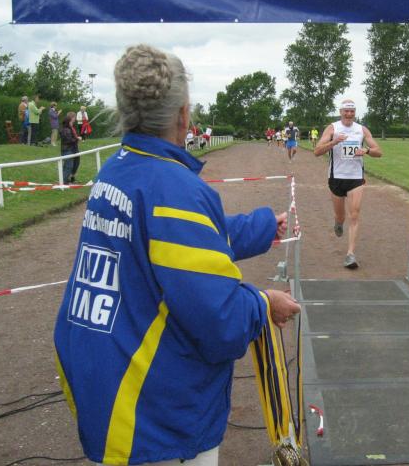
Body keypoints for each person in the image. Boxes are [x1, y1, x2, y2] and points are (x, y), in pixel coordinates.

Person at [53, 44, 300, 466]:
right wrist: (263, 305)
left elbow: (178, 243)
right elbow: (219, 320)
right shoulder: (175, 188)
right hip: (154, 412)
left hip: (106, 381)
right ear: (183, 115)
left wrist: (261, 227)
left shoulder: (117, 169)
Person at [313, 99, 381, 269]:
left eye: (352, 111)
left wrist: (366, 150)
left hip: (356, 178)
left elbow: (378, 151)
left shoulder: (362, 129)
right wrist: (334, 142)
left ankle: (350, 254)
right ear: (341, 112)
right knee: (340, 216)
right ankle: (338, 223)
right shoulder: (332, 128)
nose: (349, 114)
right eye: (346, 111)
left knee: (355, 215)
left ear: (355, 113)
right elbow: (317, 151)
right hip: (336, 178)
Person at [60, 111, 81, 183]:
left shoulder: (72, 127)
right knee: (68, 166)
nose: (75, 119)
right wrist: (77, 139)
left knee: (76, 164)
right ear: (71, 118)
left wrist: (77, 138)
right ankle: (64, 181)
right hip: (68, 150)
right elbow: (68, 140)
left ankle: (71, 178)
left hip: (74, 149)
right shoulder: (65, 129)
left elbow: (73, 137)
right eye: (74, 117)